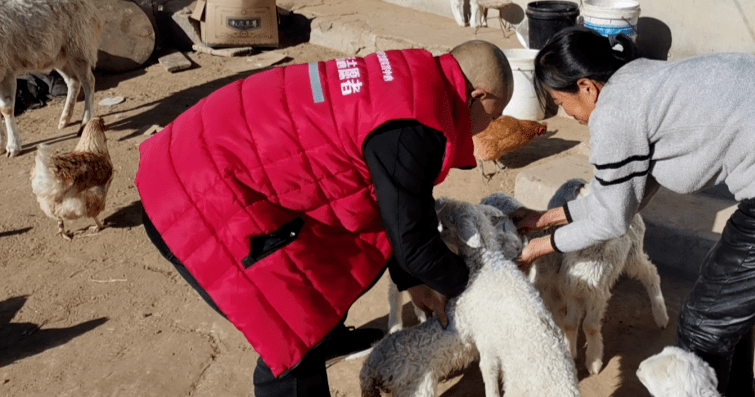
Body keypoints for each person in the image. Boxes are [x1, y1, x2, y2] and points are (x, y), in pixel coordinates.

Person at [513, 27, 755, 397]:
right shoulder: (640, 79)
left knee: (704, 326)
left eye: (561, 102)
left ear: (588, 88)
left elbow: (610, 219)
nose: (565, 112)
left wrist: (536, 249)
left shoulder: (614, 111)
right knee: (722, 298)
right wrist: (542, 219)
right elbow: (617, 200)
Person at [135, 41, 513, 397]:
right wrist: (474, 287)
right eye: (492, 116)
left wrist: (412, 279)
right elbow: (412, 242)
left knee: (326, 262)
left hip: (209, 150)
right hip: (194, 191)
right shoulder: (413, 127)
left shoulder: (412, 78)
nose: (488, 126)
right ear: (478, 95)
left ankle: (328, 334)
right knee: (291, 330)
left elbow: (400, 206)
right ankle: (308, 355)